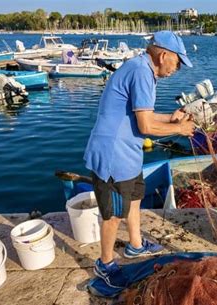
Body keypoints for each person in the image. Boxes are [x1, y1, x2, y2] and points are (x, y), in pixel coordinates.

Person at [83, 31, 195, 286]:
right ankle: (105, 263)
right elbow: (145, 126)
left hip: (129, 153)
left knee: (134, 197)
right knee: (112, 215)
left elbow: (142, 114)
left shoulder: (143, 69)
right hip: (113, 155)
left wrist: (171, 117)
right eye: (178, 63)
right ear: (163, 55)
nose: (177, 69)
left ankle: (135, 245)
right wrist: (179, 129)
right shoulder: (142, 71)